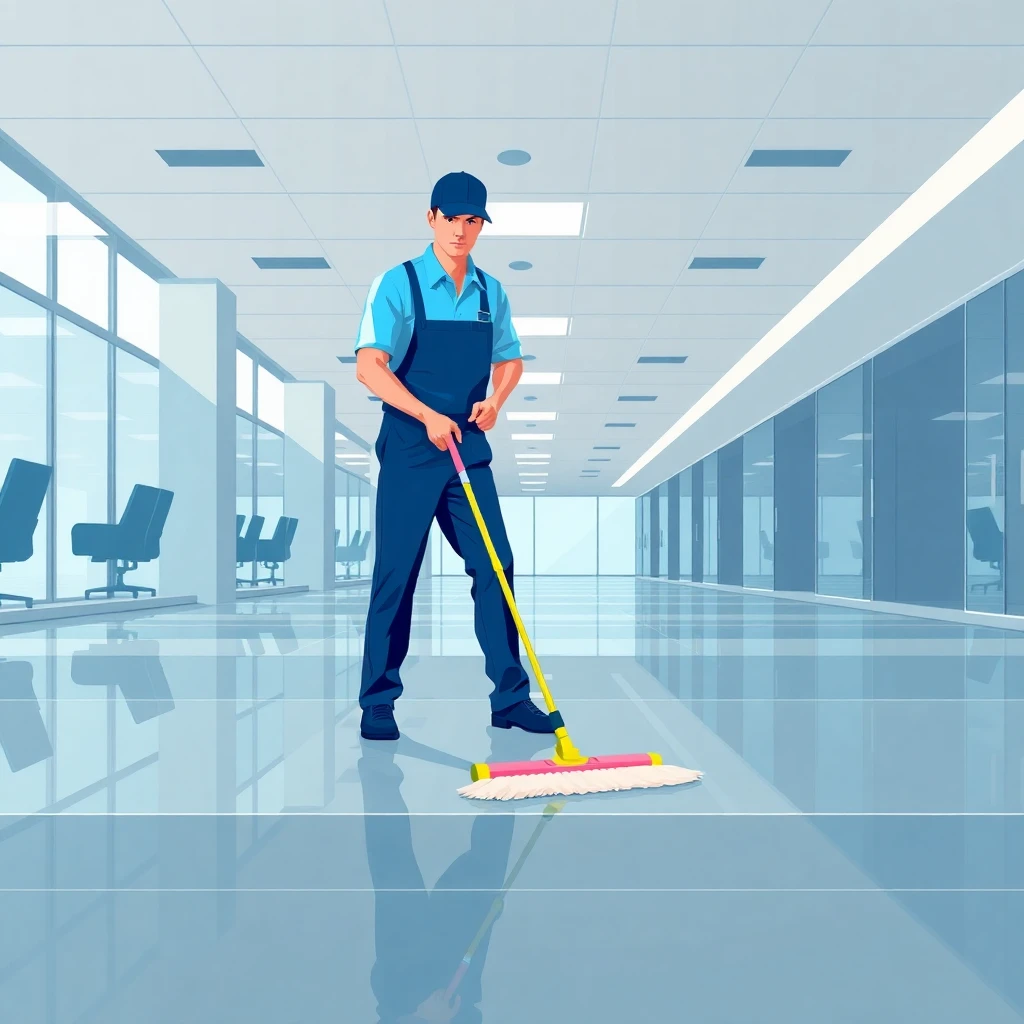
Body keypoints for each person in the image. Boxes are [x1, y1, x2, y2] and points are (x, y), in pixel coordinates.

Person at [354, 171, 555, 742]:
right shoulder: (399, 284)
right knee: (397, 574)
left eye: (473, 221)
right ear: (431, 218)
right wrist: (425, 414)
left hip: (468, 450)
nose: (462, 231)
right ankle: (377, 701)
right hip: (412, 453)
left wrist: (497, 398)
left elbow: (510, 358)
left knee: (496, 565)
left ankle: (511, 698)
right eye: (452, 219)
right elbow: (370, 366)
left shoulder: (491, 293)